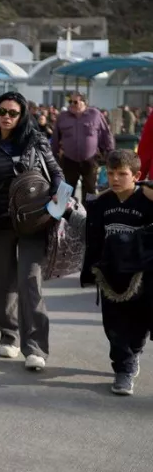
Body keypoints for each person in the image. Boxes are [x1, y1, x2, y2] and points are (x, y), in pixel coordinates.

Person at [0, 91, 63, 371]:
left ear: (23, 115)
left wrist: (59, 203)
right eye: (2, 112)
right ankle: (8, 335)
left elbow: (56, 173)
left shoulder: (36, 140)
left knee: (30, 280)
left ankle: (35, 347)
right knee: (3, 283)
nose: (7, 117)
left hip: (34, 222)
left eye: (13, 113)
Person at [81, 150, 153, 396]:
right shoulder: (102, 203)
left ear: (136, 175)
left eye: (122, 174)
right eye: (110, 173)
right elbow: (91, 234)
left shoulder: (146, 200)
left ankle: (134, 351)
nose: (115, 179)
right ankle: (123, 368)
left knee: (140, 322)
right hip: (110, 274)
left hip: (142, 276)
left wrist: (148, 188)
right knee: (113, 324)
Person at [51, 93, 114, 203]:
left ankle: (90, 216)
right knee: (65, 190)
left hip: (90, 160)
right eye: (70, 102)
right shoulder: (63, 117)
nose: (72, 104)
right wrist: (53, 156)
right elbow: (55, 137)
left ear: (85, 103)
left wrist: (110, 153)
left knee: (90, 191)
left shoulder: (95, 114)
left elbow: (106, 134)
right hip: (68, 160)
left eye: (75, 102)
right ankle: (60, 217)